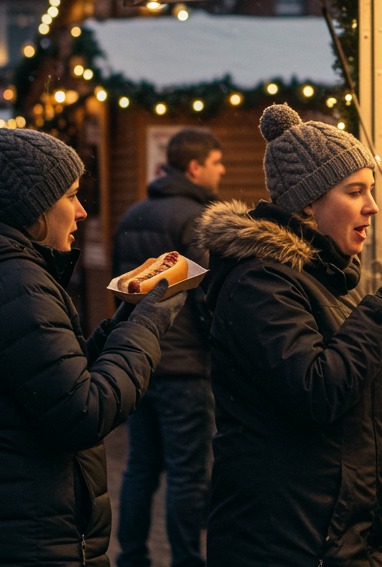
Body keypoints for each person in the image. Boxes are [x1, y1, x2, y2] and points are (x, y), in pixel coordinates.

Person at [196, 104, 382, 566]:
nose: (372, 206)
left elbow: (368, 391)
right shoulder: (259, 283)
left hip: (334, 539)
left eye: (370, 189)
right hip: (282, 543)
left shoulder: (324, 276)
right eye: (355, 192)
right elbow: (319, 392)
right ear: (309, 202)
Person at [0, 119, 186, 566]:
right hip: (23, 544)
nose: (82, 212)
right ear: (33, 208)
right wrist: (150, 322)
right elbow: (81, 412)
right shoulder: (15, 283)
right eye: (71, 196)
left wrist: (125, 318)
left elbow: (55, 378)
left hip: (0, 535)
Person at [112, 128, 224, 567]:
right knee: (188, 474)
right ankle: (185, 559)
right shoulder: (198, 218)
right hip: (185, 369)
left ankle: (132, 557)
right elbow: (204, 296)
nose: (222, 171)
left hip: (140, 363)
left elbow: (125, 290)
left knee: (140, 468)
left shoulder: (133, 213)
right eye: (217, 162)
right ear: (194, 167)